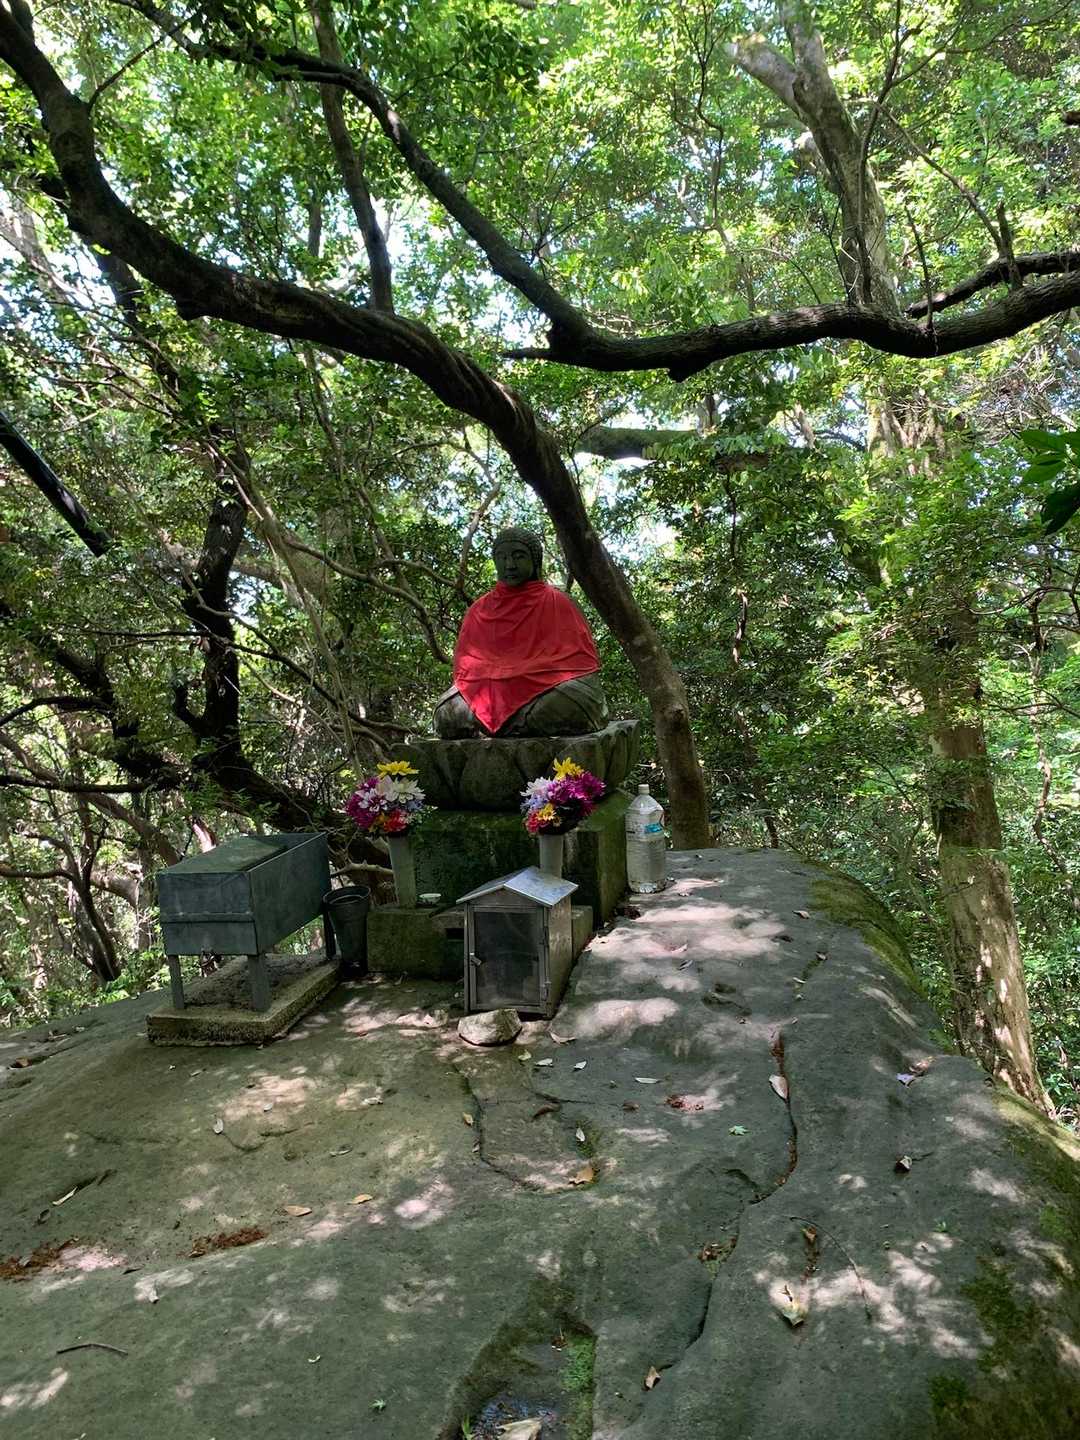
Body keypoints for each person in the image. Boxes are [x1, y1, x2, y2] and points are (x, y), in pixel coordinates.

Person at [433, 528, 609, 738]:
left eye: (519, 556)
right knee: (446, 713)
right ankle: (515, 723)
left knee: (576, 702)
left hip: (545, 689)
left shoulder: (558, 602)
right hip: (491, 693)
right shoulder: (479, 610)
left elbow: (579, 665)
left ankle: (504, 725)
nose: (510, 565)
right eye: (502, 557)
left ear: (535, 560)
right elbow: (467, 669)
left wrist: (528, 672)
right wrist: (500, 680)